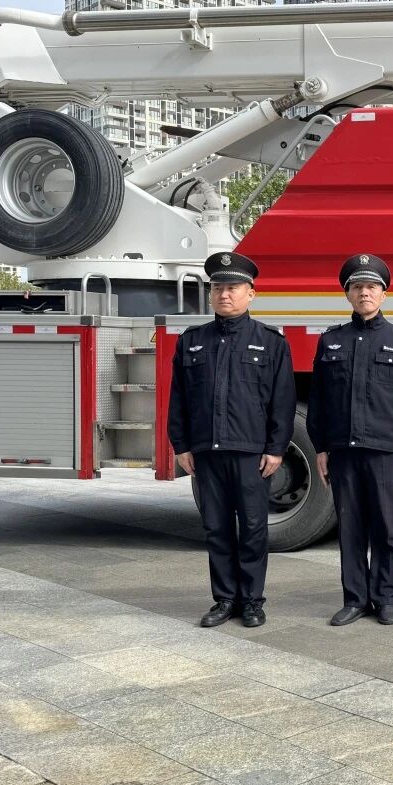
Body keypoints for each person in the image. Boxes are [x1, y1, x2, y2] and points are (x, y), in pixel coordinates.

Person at [168, 251, 295, 629]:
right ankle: (224, 599)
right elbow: (179, 398)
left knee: (253, 528)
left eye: (233, 288)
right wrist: (181, 445)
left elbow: (283, 401)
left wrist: (276, 449)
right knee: (216, 528)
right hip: (207, 452)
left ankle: (252, 601)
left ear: (251, 293)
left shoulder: (270, 341)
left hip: (250, 454)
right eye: (218, 288)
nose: (224, 294)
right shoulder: (192, 341)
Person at [306, 254, 393, 627]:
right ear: (348, 294)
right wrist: (321, 447)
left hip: (385, 451)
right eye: (357, 287)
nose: (364, 293)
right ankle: (355, 599)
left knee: (388, 528)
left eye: (372, 287)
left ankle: (386, 598)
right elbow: (319, 400)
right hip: (343, 450)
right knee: (351, 528)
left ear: (383, 294)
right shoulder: (331, 341)